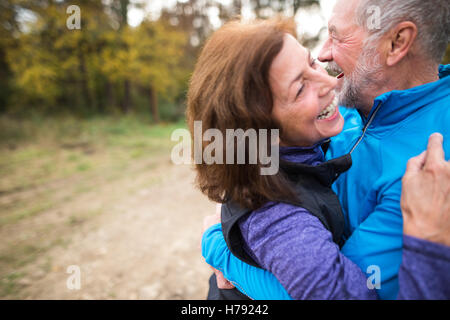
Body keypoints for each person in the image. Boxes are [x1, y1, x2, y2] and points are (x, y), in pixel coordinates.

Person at [201, 0, 450, 299]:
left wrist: (219, 249)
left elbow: (335, 292)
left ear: (397, 43)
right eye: (300, 86)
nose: (324, 57)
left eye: (338, 35)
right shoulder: (356, 108)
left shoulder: (428, 167)